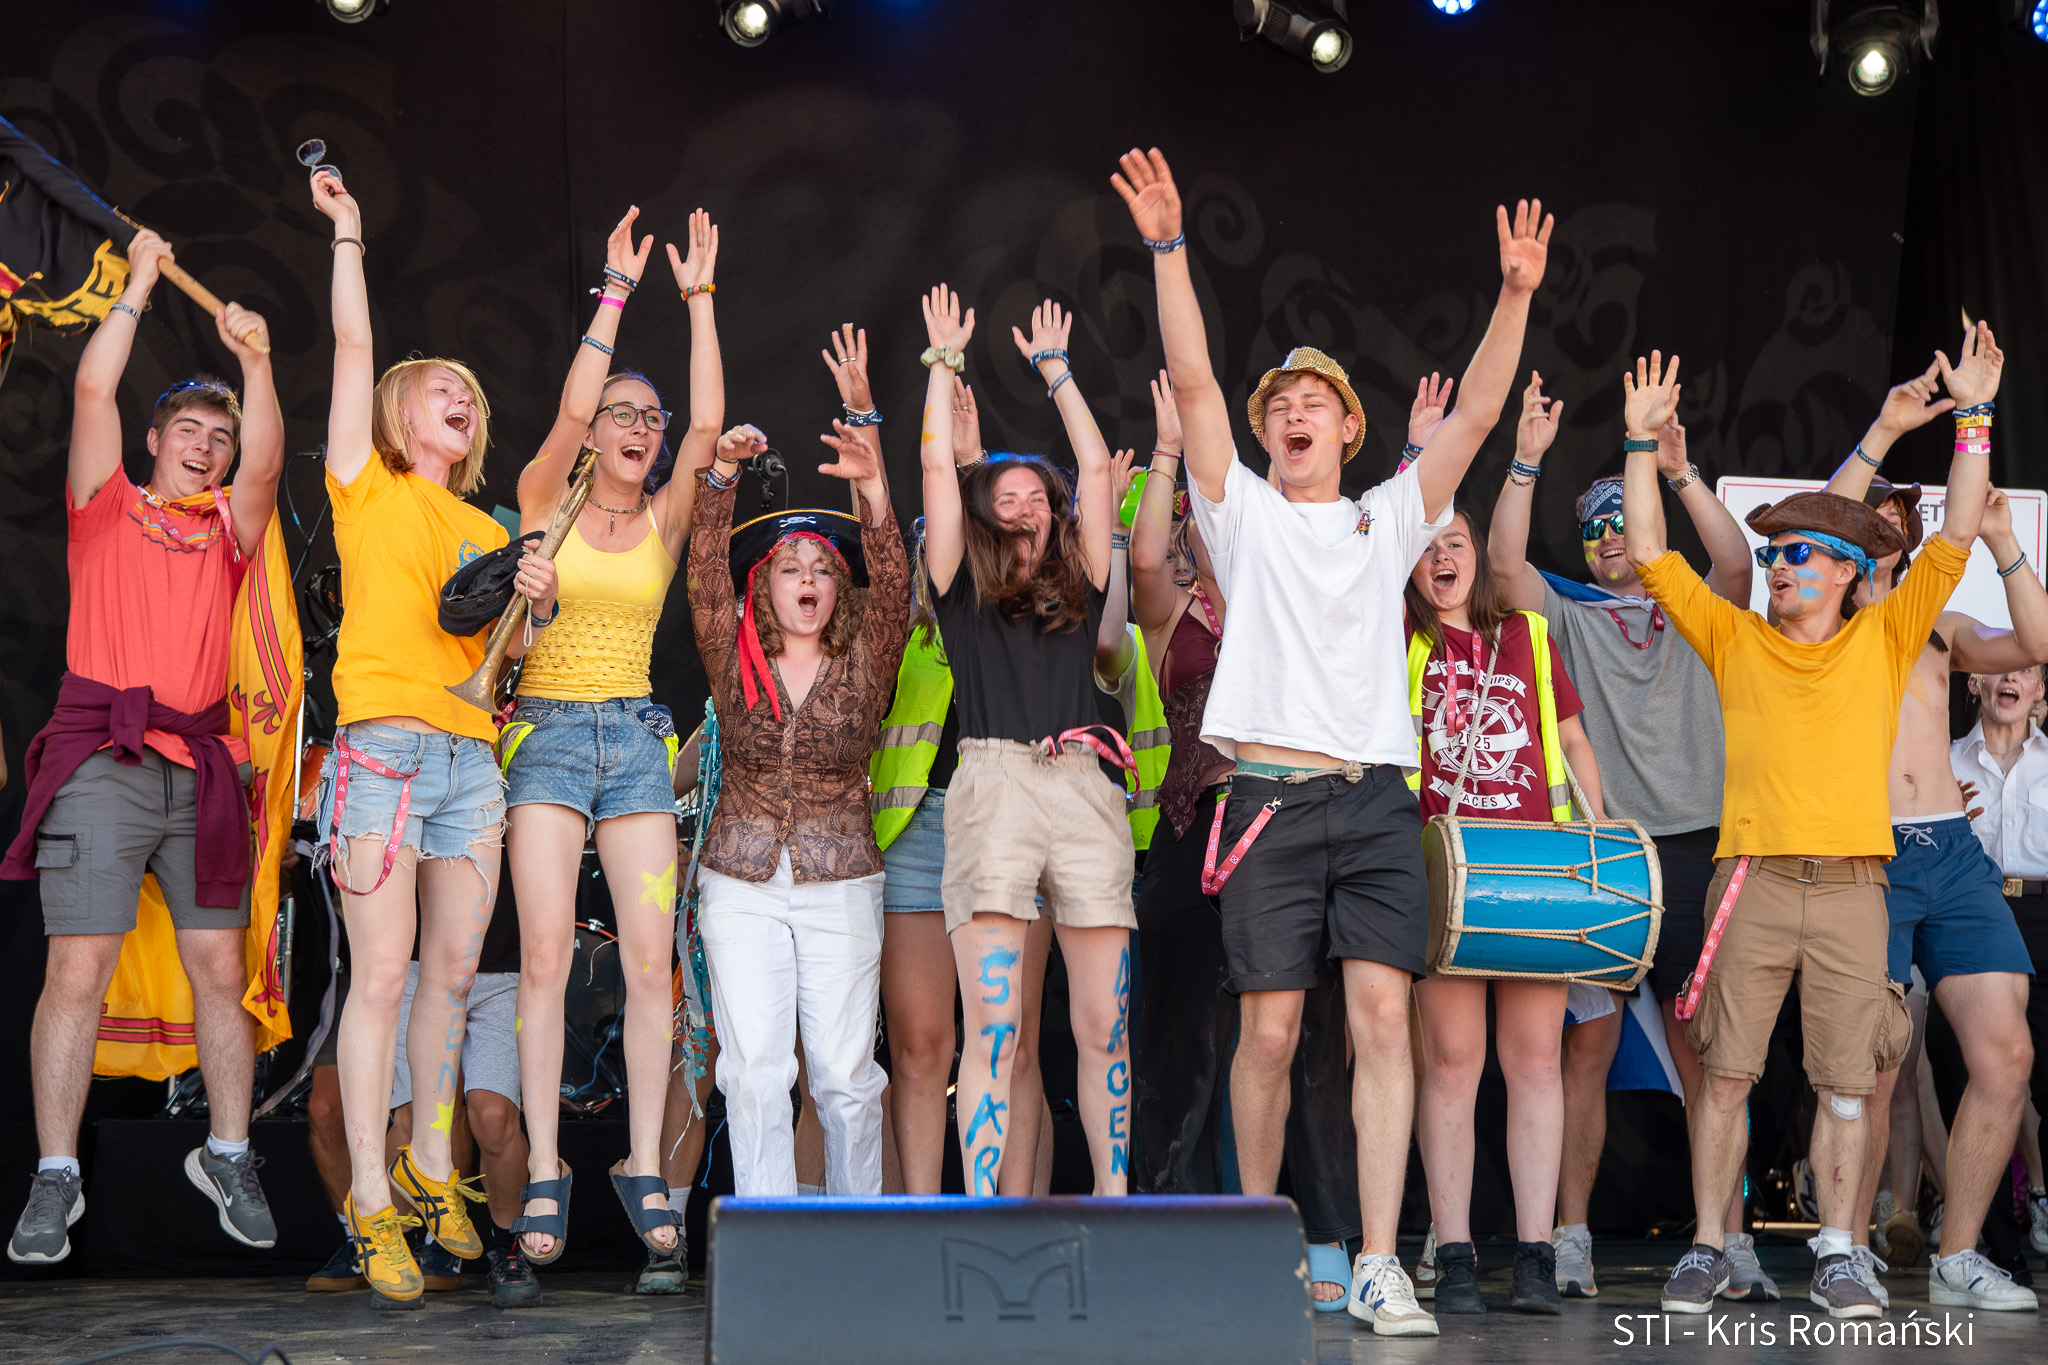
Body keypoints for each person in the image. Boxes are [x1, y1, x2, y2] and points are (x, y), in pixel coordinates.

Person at [1114, 145, 1552, 1335]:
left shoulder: (1388, 519)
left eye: (1313, 402)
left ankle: (1373, 1260)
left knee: (1378, 1026)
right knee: (1266, 1033)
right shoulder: (1240, 515)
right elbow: (1193, 381)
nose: (1291, 413)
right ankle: (1260, 1248)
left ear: (1350, 429)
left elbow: (1475, 414)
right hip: (1263, 801)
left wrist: (1514, 295)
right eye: (1278, 406)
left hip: (1371, 804)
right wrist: (1168, 249)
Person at [1619, 341, 1986, 1319]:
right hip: (1751, 880)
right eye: (1774, 553)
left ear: (1846, 573)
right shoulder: (1734, 635)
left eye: (1797, 554)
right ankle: (1708, 1245)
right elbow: (1651, 554)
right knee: (1724, 1074)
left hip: (1855, 887)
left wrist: (1974, 418)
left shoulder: (1884, 635)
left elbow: (1953, 538)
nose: (1777, 565)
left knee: (1849, 1085)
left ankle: (1837, 1251)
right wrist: (1637, 445)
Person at [3, 229, 283, 1264]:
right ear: (155, 439)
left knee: (220, 965)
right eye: (189, 430)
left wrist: (256, 362)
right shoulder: (106, 508)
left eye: (220, 436)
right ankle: (56, 1173)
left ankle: (227, 1150)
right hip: (104, 763)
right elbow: (91, 393)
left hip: (199, 771)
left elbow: (268, 462)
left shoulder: (228, 529)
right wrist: (136, 286)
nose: (206, 447)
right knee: (77, 965)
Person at [308, 165, 546, 1306]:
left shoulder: (484, 525)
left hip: (469, 760)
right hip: (384, 751)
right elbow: (353, 348)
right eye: (440, 388)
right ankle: (370, 1197)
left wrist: (531, 604)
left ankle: (426, 1163)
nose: (462, 399)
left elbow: (497, 664)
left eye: (470, 394)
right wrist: (349, 235)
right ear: (401, 415)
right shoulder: (367, 484)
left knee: (450, 973)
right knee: (384, 976)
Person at [1485, 366, 1767, 1301]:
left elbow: (1737, 566)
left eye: (1623, 520)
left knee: (1708, 1054)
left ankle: (1729, 1238)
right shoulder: (1567, 615)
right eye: (1595, 525)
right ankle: (1569, 1236)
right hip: (1602, 855)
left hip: (1694, 850)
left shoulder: (1696, 608)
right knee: (1586, 1050)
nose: (1611, 537)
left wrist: (1680, 474)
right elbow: (1504, 569)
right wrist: (1525, 462)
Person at [500, 205, 721, 1265]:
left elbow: (710, 427)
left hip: (634, 743)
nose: (639, 428)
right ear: (594, 431)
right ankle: (547, 1163)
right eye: (621, 414)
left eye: (651, 419)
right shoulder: (546, 495)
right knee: (546, 956)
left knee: (645, 959)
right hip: (544, 737)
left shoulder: (665, 518)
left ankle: (641, 1160)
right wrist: (617, 293)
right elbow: (570, 401)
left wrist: (700, 299)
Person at [1125, 372, 1361, 1306]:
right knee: (1178, 1036)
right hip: (1196, 824)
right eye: (1200, 518)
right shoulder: (1175, 608)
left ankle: (1326, 1232)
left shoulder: (1302, 578)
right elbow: (1146, 556)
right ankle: (1170, 1226)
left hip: (1297, 816)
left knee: (1308, 1036)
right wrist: (1169, 452)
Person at [1819, 333, 2039, 1311]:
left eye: (1895, 516)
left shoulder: (1933, 619)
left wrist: (2001, 537)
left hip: (1948, 849)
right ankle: (1848, 1248)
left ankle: (1956, 1255)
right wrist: (1883, 432)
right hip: (1863, 854)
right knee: (1869, 1069)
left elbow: (2034, 639)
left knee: (2006, 1055)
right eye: (1865, 516)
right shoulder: (1819, 621)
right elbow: (1822, 518)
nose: (1880, 523)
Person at [918, 287, 1135, 1200]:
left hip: (1083, 783)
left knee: (1104, 1025)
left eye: (1035, 496)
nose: (1020, 506)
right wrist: (943, 362)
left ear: (1056, 513)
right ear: (981, 515)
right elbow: (936, 464)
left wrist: (1058, 373)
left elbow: (1095, 463)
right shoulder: (959, 583)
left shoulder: (1083, 577)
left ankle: (1116, 1206)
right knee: (996, 1029)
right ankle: (982, 1209)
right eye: (1002, 497)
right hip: (995, 781)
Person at [687, 399, 908, 1196]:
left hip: (840, 877)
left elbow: (895, 584)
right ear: (763, 586)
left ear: (838, 585)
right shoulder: (731, 652)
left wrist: (872, 488)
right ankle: (769, 1237)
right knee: (753, 1070)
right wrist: (721, 474)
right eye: (790, 567)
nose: (808, 578)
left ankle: (853, 1235)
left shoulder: (868, 658)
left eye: (821, 567)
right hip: (739, 877)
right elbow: (702, 572)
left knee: (846, 1074)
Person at [1403, 506, 1605, 1316]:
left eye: (1454, 541)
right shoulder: (1398, 636)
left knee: (1537, 1063)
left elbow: (1573, 742)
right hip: (1444, 871)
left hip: (1538, 868)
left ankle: (1533, 1256)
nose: (1440, 556)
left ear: (1478, 553)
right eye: (1424, 546)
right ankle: (1454, 1257)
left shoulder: (1528, 632)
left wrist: (1599, 835)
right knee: (1452, 1064)